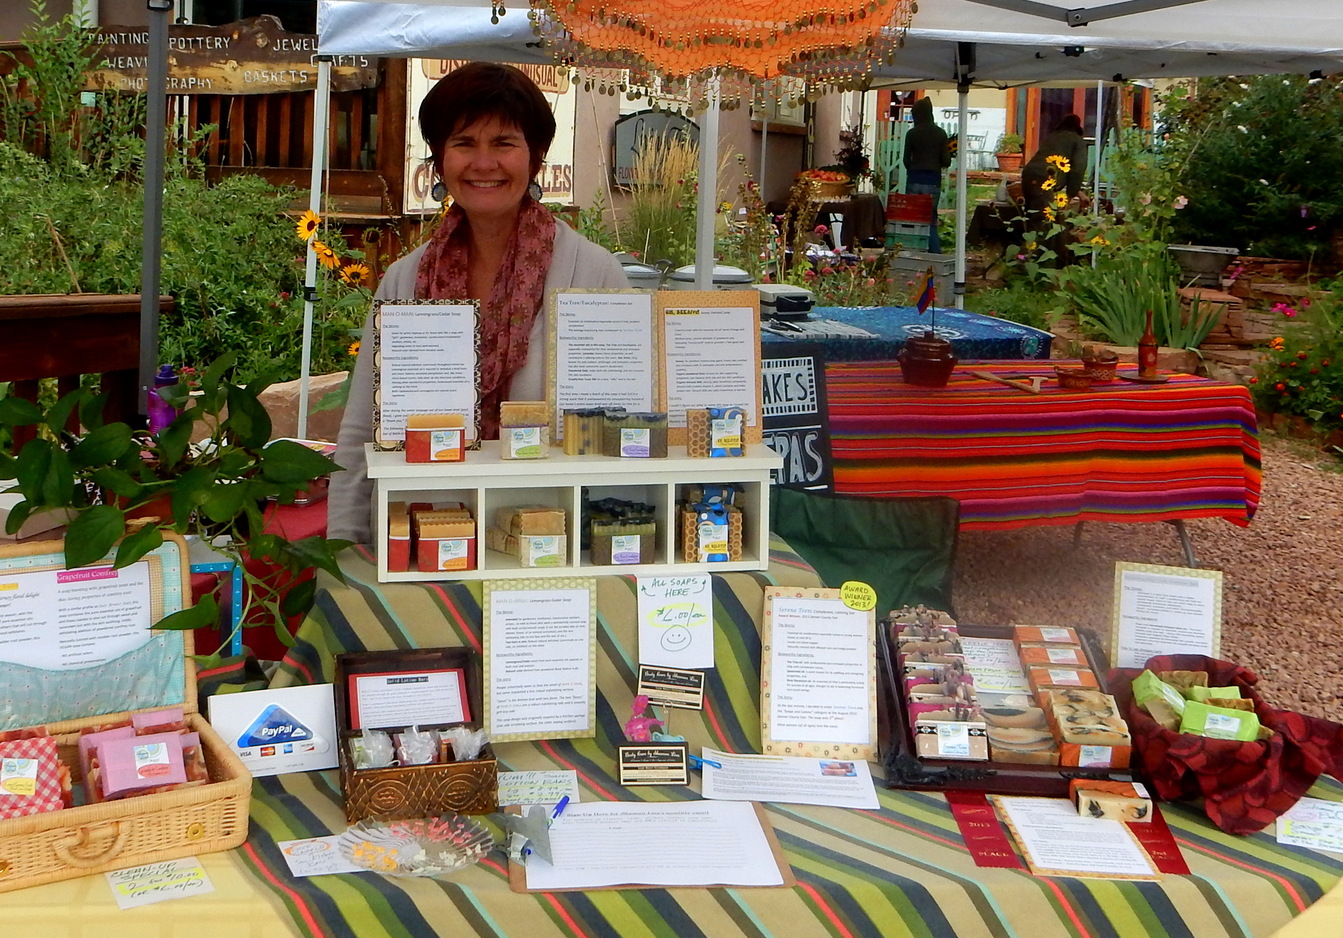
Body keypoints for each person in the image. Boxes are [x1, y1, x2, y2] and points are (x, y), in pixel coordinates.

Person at [329, 62, 630, 545]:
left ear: (536, 158)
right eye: (464, 143)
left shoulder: (593, 276)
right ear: (439, 160)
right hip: (419, 542)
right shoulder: (406, 280)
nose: (483, 163)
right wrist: (344, 545)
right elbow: (362, 428)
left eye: (504, 143)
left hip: (544, 545)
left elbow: (621, 431)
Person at [902, 97, 951, 253]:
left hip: (914, 178)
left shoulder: (912, 134)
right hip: (933, 180)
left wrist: (914, 168)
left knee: (913, 217)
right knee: (930, 218)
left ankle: (912, 251)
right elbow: (946, 161)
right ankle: (934, 252)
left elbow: (906, 160)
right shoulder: (940, 134)